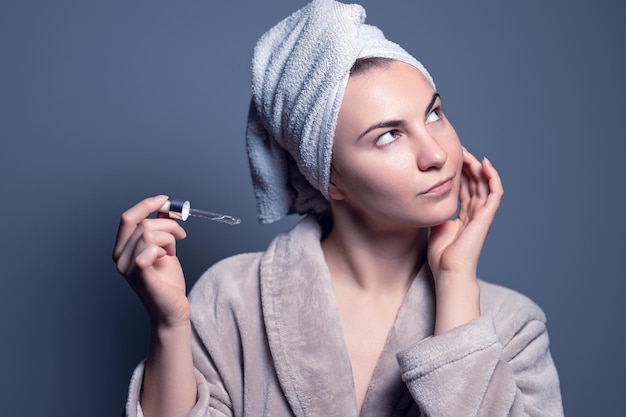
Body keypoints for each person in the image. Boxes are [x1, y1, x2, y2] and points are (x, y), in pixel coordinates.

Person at [113, 1, 563, 416]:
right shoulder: (231, 298)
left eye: (433, 113)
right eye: (388, 135)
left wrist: (456, 281)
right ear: (329, 177)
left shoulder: (511, 324)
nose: (436, 154)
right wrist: (170, 326)